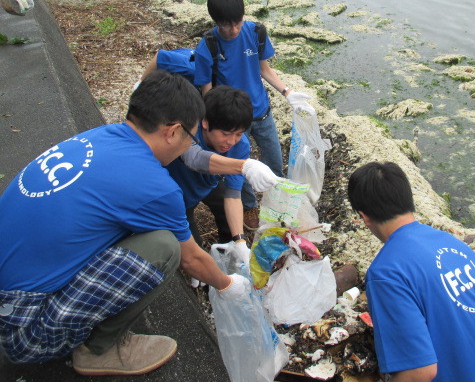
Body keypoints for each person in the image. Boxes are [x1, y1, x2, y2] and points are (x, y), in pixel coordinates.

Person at [0, 71, 276, 376]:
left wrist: (238, 234)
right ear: (172, 132)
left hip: (12, 294)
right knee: (164, 247)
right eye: (189, 137)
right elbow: (192, 259)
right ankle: (99, 350)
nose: (188, 147)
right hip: (24, 330)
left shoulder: (100, 136)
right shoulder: (156, 186)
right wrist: (227, 285)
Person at [347, 162, 475, 382]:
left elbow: (419, 372)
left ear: (364, 216)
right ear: (407, 200)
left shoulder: (385, 272)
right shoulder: (455, 245)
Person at [192, 0, 316, 216]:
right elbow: (207, 91)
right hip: (233, 120)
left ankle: (278, 203)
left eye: (238, 22)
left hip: (261, 112)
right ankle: (249, 207)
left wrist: (287, 92)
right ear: (216, 21)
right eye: (226, 25)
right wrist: (209, 122)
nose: (234, 30)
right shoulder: (207, 46)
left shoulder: (256, 32)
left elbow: (264, 69)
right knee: (243, 167)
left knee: (274, 161)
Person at [166, 85, 254, 267]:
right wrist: (245, 166)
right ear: (205, 122)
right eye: (226, 134)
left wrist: (240, 241)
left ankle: (229, 256)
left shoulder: (240, 146)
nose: (231, 141)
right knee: (193, 251)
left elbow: (233, 194)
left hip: (207, 185)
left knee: (228, 215)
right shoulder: (188, 128)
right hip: (177, 193)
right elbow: (195, 159)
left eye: (238, 134)